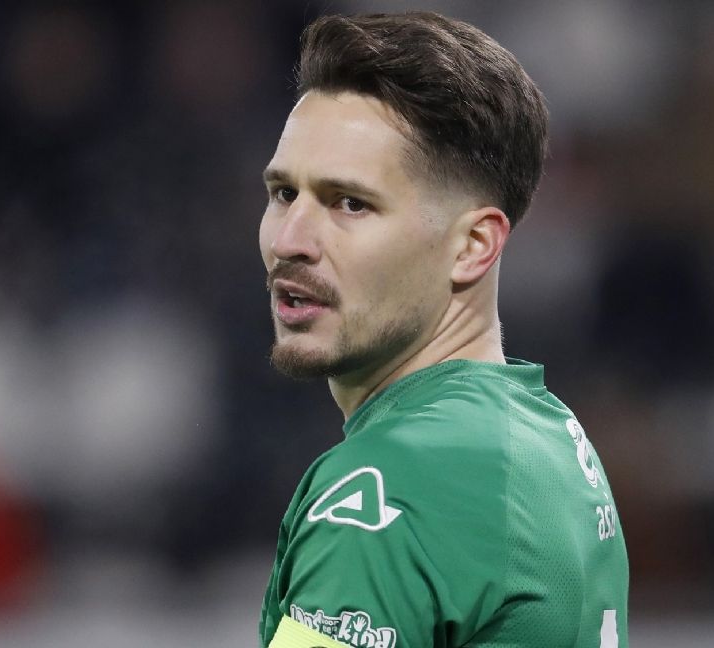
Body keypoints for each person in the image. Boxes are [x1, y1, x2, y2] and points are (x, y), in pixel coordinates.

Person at [257, 12, 628, 648]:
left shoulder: (389, 487)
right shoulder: (546, 439)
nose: (290, 240)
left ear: (473, 246)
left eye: (351, 203)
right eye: (285, 193)